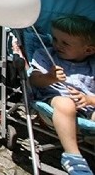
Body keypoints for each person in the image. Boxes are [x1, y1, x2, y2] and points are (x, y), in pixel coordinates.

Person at [29, 15, 95, 174]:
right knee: (66, 104)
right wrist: (49, 78)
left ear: (88, 50)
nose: (57, 45)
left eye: (65, 43)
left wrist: (89, 99)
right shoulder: (46, 55)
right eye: (55, 39)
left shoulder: (92, 65)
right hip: (54, 101)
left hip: (87, 108)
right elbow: (33, 80)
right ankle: (72, 155)